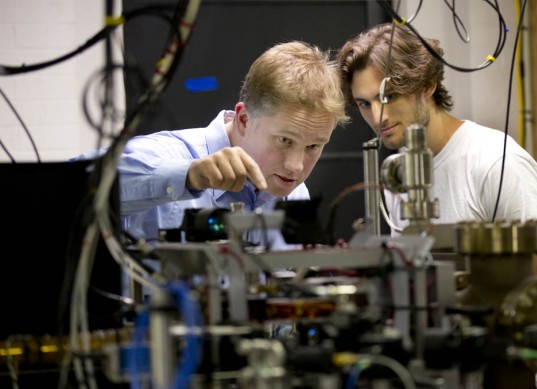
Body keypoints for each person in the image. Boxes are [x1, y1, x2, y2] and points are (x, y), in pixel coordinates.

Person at [74, 41, 349, 250]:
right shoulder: (169, 155)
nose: (295, 166)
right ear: (243, 118)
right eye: (285, 140)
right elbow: (64, 186)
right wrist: (188, 176)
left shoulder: (294, 195)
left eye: (314, 146)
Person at [336, 22, 537, 253]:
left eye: (389, 97)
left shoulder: (497, 162)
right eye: (364, 103)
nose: (377, 117)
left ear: (427, 86)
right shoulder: (399, 172)